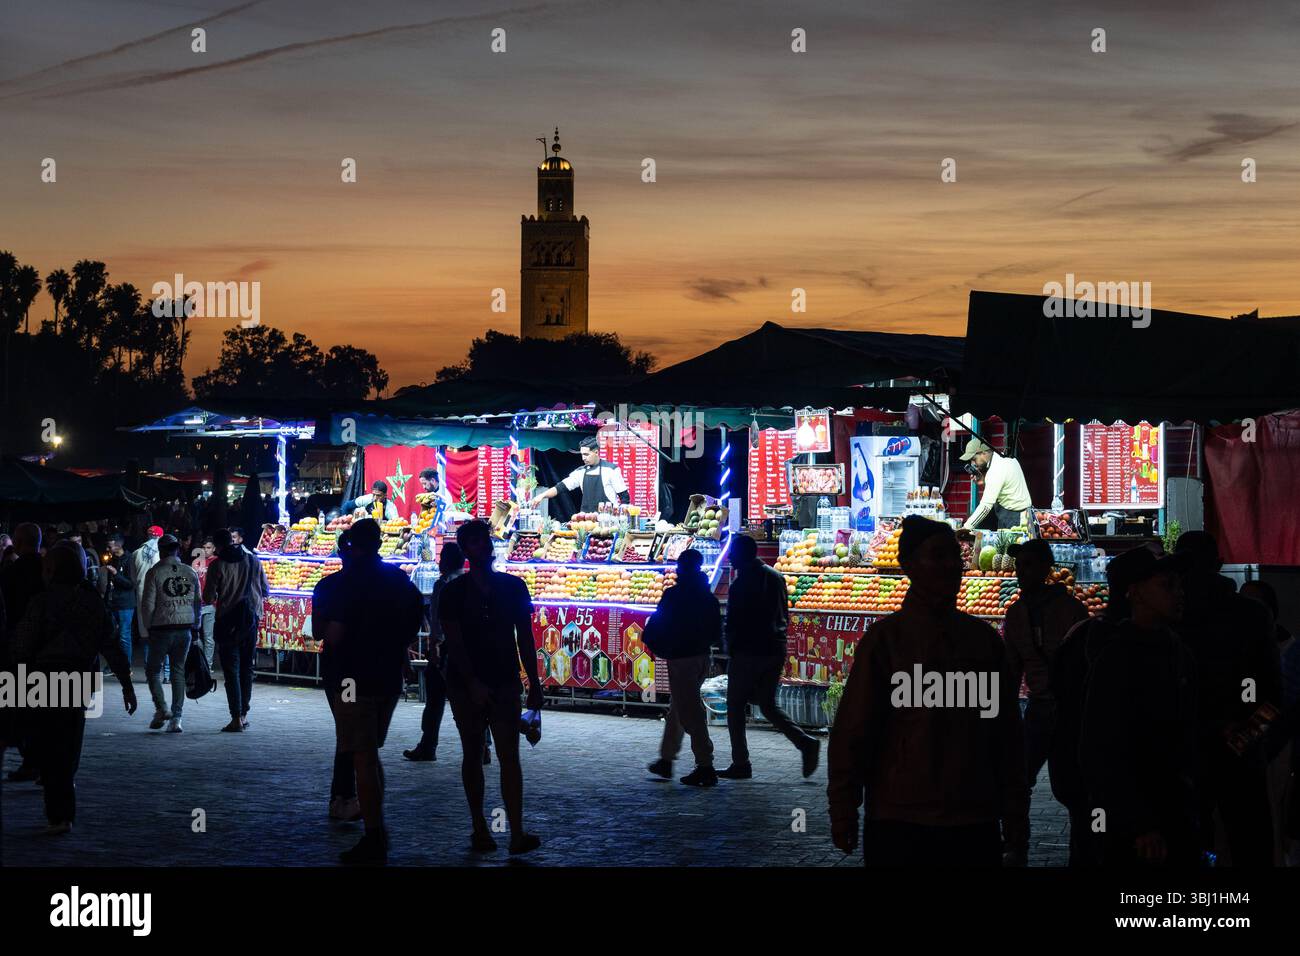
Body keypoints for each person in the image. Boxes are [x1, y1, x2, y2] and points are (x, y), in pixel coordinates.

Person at [827, 517, 1027, 866]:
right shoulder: (886, 642)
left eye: (954, 555)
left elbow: (1006, 732)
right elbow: (853, 730)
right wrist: (843, 805)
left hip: (973, 816)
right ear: (909, 566)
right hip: (899, 818)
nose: (951, 566)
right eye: (937, 556)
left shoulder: (983, 642)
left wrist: (1014, 807)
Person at [1080, 546, 1200, 866]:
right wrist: (1139, 822)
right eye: (1166, 585)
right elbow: (1102, 747)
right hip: (1135, 826)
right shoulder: (1116, 658)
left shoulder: (1176, 650)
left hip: (1176, 808)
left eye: (1179, 584)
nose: (1179, 594)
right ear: (1135, 593)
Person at [312, 518, 422, 865]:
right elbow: (416, 618)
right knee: (369, 750)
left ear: (349, 547)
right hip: (387, 675)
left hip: (348, 678)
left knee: (360, 753)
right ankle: (375, 825)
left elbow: (323, 633)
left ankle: (374, 834)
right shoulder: (399, 581)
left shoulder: (335, 585)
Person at [1172, 531, 1281, 867]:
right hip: (1237, 750)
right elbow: (1273, 695)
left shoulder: (1170, 617)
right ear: (1219, 564)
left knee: (1190, 841)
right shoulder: (1252, 615)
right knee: (1250, 841)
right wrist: (1247, 740)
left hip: (1186, 752)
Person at [13, 541, 137, 834]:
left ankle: (57, 807)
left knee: (47, 741)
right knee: (69, 741)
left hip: (43, 677)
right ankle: (63, 806)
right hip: (79, 678)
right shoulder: (92, 602)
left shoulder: (42, 601)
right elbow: (111, 644)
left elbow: (22, 645)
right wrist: (126, 684)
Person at [438, 519, 544, 855]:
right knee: (473, 751)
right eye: (477, 541)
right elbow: (454, 644)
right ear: (466, 550)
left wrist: (535, 682)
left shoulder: (514, 587)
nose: (485, 546)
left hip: (504, 679)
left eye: (486, 540)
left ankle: (515, 831)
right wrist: (472, 683)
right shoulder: (454, 592)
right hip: (466, 682)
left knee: (509, 755)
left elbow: (525, 638)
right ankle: (480, 827)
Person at [999, 537, 1089, 865]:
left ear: (1046, 568)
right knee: (1019, 781)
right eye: (1019, 564)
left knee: (1074, 788)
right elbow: (1011, 670)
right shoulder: (1017, 613)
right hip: (1040, 708)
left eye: (1028, 564)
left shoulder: (1070, 609)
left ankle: (1083, 850)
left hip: (1067, 710)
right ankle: (1016, 843)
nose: (1020, 571)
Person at [1047, 555, 1132, 866]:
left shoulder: (1081, 633)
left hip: (1087, 772)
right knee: (1099, 840)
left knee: (1090, 840)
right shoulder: (1105, 640)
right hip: (1098, 775)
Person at [720, 534, 820, 781]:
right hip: (774, 649)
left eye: (733, 553)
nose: (730, 558)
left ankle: (741, 762)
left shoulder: (740, 584)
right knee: (767, 704)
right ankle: (804, 741)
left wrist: (729, 648)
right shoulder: (776, 577)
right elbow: (783, 612)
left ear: (743, 555)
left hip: (748, 651)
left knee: (735, 705)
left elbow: (735, 623)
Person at [645, 548, 720, 786]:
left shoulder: (674, 595)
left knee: (690, 713)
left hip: (681, 659)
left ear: (681, 568)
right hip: (700, 657)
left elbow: (658, 623)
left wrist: (658, 644)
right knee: (678, 709)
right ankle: (666, 759)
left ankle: (705, 765)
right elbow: (716, 631)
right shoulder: (708, 597)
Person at [404, 542, 466, 762]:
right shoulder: (470, 583)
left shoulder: (443, 585)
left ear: (445, 562)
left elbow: (437, 620)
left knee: (435, 700)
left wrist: (433, 648)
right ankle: (483, 746)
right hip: (467, 649)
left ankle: (428, 744)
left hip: (445, 650)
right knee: (470, 702)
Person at [204, 528, 269, 732]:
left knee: (231, 671)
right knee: (246, 669)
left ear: (217, 545)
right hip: (250, 621)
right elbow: (266, 590)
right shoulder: (253, 561)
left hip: (227, 622)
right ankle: (243, 714)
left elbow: (208, 597)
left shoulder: (217, 565)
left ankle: (235, 718)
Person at [138, 535, 201, 733]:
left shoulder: (155, 572)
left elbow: (147, 604)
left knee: (153, 671)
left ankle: (161, 708)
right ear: (177, 550)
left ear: (161, 550)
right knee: (178, 671)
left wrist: (147, 627)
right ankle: (177, 718)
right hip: (184, 628)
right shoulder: (190, 571)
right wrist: (195, 624)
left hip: (161, 628)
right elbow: (197, 602)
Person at [1, 523, 47, 782]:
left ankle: (33, 761)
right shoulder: (47, 570)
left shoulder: (12, 573)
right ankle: (37, 762)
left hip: (19, 651)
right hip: (46, 651)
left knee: (18, 710)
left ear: (18, 543)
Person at [529, 436, 630, 513]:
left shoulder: (611, 470)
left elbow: (624, 497)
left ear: (596, 452)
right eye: (582, 454)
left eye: (586, 454)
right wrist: (541, 496)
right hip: (587, 521)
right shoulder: (580, 472)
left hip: (608, 521)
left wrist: (622, 517)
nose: (583, 458)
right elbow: (560, 487)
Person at [959, 438, 1032, 531]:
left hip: (1014, 518)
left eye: (974, 459)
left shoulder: (996, 470)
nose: (973, 464)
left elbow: (985, 507)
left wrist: (966, 528)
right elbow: (1004, 484)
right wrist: (984, 481)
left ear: (984, 453)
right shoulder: (1002, 458)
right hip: (1020, 514)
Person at [131, 525, 167, 683]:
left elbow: (133, 578)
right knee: (163, 636)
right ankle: (166, 675)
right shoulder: (162, 553)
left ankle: (150, 674)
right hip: (160, 598)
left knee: (146, 637)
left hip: (142, 597)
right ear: (160, 537)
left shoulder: (136, 554)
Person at [103, 533, 137, 672]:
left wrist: (116, 574)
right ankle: (113, 664)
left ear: (118, 545)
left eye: (110, 545)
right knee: (112, 636)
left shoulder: (129, 560)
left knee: (124, 636)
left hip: (125, 604)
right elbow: (109, 584)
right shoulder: (112, 559)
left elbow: (131, 584)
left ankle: (125, 666)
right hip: (112, 603)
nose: (108, 548)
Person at [192, 536, 218, 668]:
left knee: (208, 637)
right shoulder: (197, 562)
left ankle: (208, 665)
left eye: (208, 548)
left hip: (210, 605)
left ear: (214, 548)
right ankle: (200, 662)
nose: (205, 550)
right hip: (197, 604)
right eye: (203, 548)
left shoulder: (217, 562)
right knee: (195, 637)